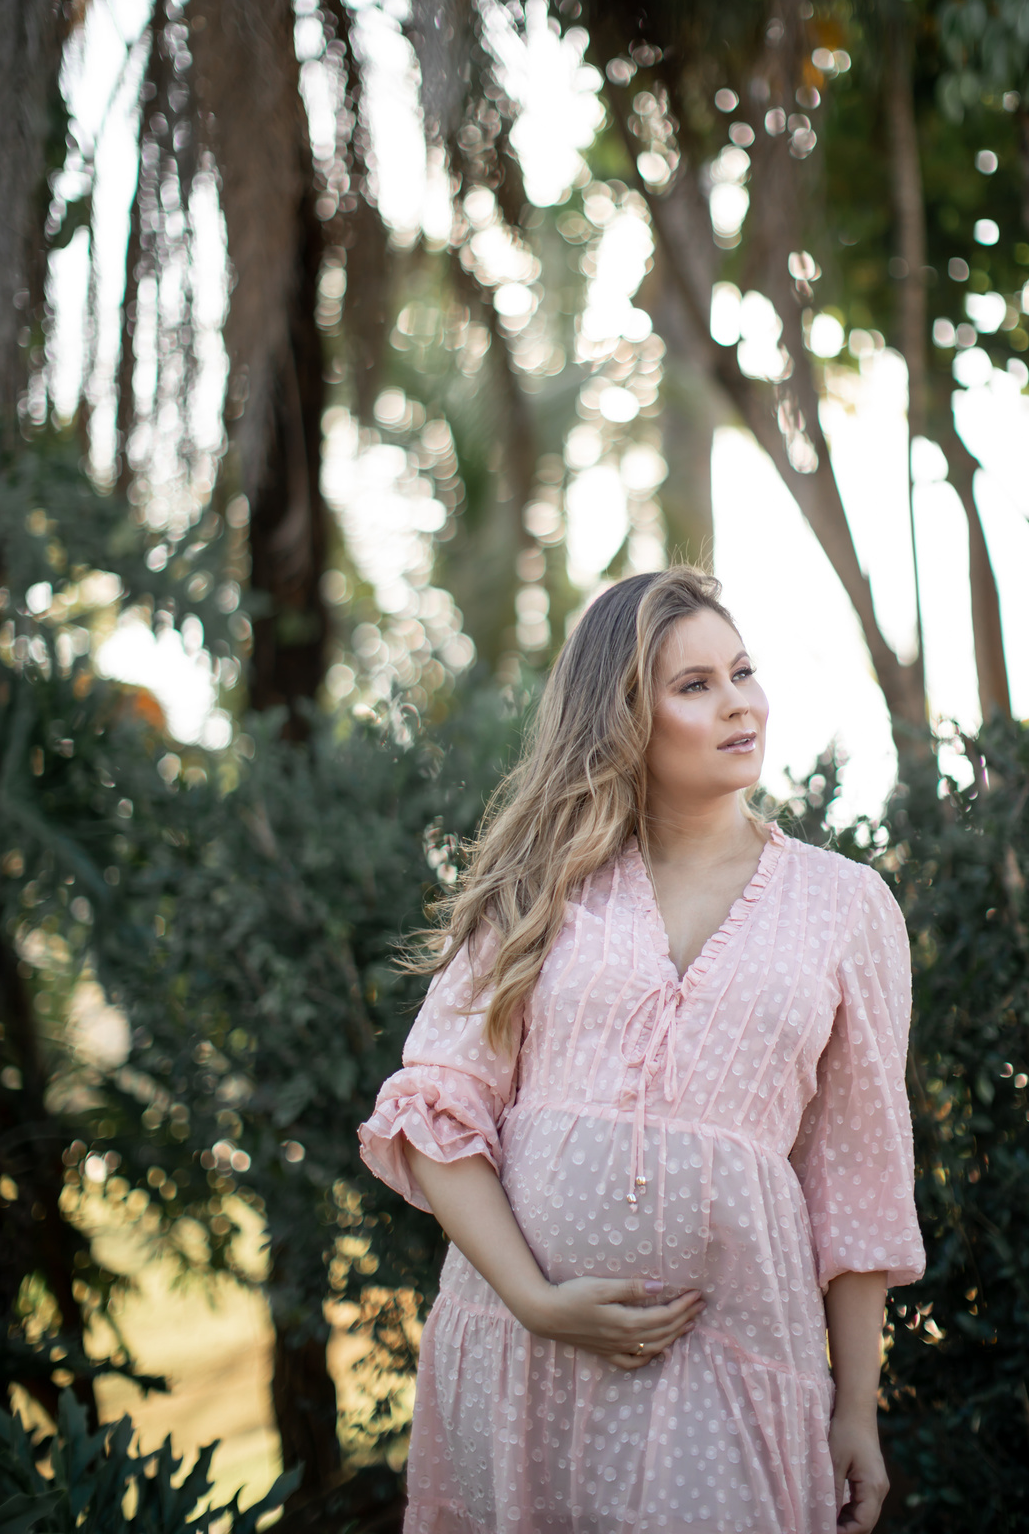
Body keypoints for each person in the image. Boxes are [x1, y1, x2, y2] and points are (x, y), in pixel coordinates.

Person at [359, 567, 924, 1533]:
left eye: (742, 672)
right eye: (695, 685)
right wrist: (536, 1301)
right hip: (521, 1350)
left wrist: (857, 1409)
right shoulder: (541, 886)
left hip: (734, 1352)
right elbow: (438, 1106)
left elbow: (858, 1180)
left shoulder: (845, 906)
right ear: (622, 718)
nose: (739, 703)